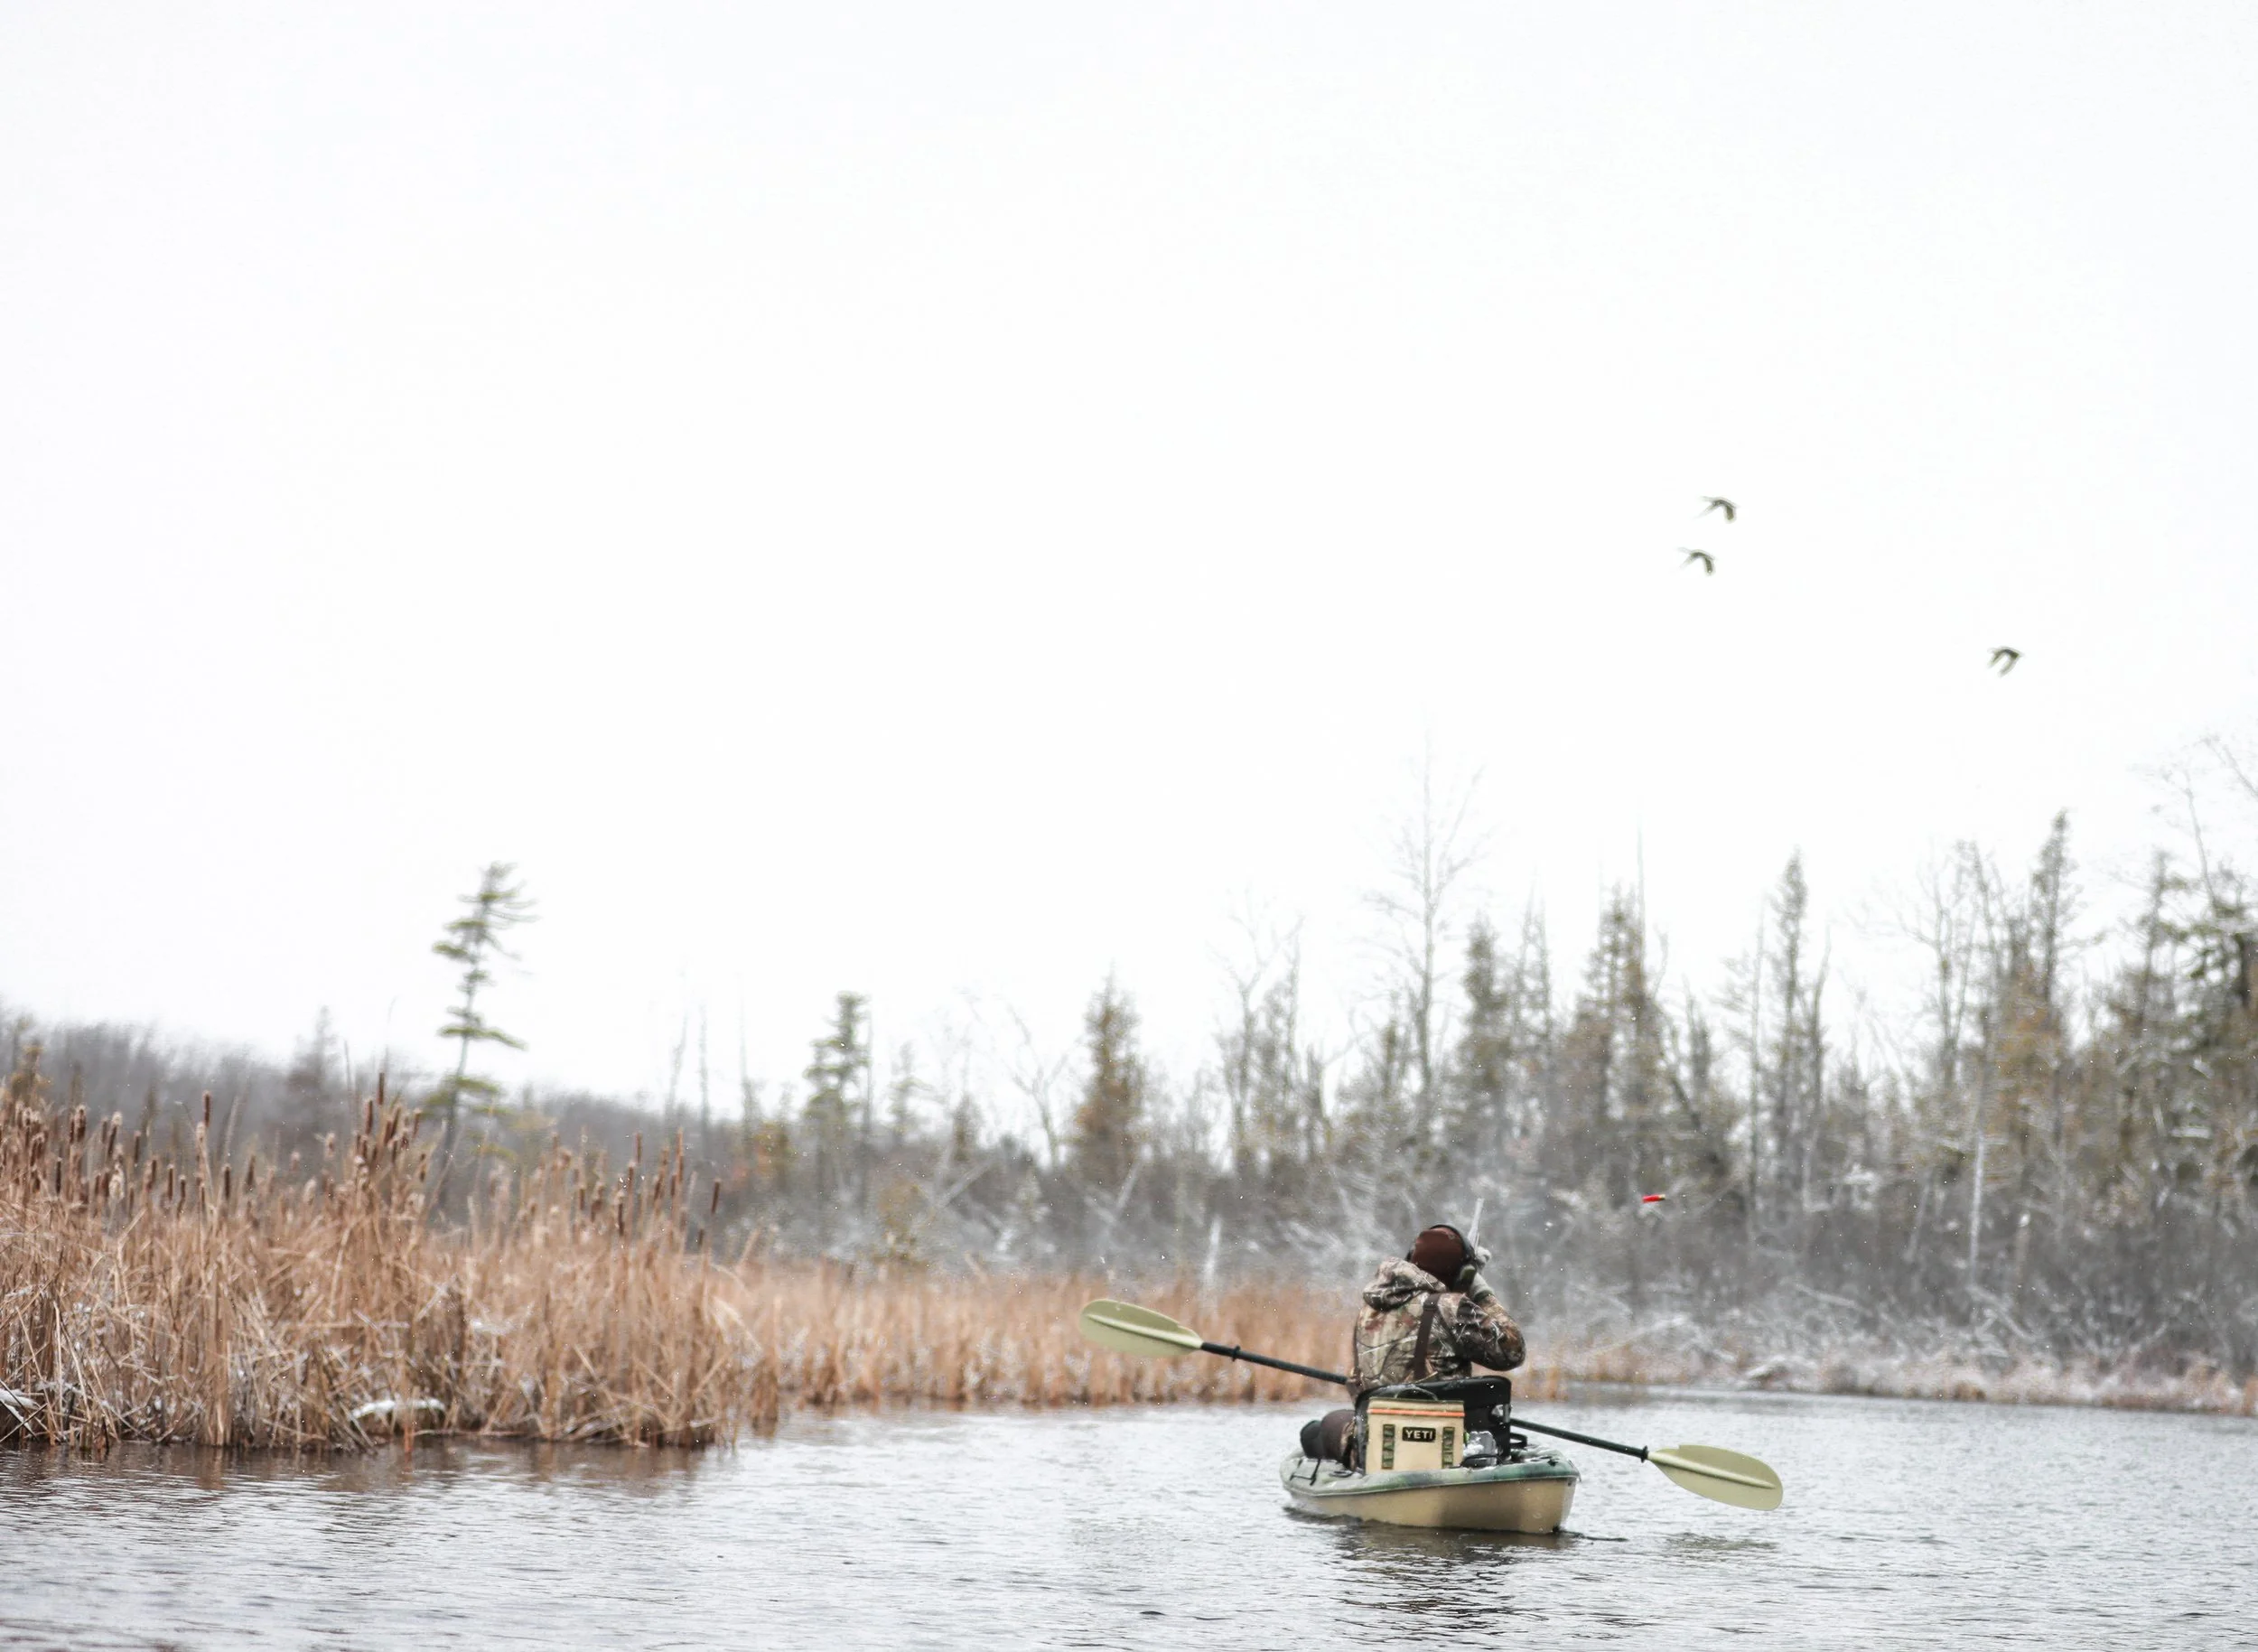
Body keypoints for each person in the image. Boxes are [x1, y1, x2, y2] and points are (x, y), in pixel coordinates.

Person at [1301, 1223, 1525, 1469]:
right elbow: (1512, 1352)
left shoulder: (1369, 1309)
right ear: (1463, 1275)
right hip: (1446, 1444)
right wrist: (1480, 1291)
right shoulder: (1452, 1306)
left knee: (1316, 1430)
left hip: (1379, 1447)